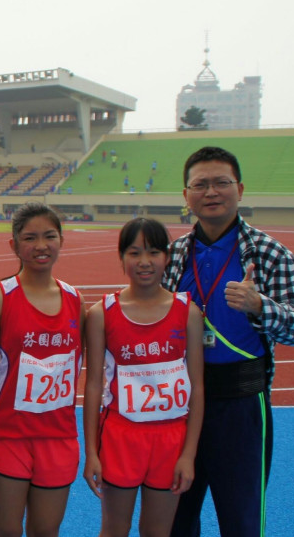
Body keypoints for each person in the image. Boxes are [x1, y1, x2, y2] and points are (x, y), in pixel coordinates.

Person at [164, 147, 294, 537]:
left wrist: (260, 305)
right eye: (200, 184)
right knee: (174, 518)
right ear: (186, 195)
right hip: (179, 403)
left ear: (240, 189)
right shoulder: (173, 255)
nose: (211, 192)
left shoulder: (271, 253)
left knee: (242, 521)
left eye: (221, 183)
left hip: (242, 404)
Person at [83, 218, 204, 537]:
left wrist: (189, 455)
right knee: (114, 529)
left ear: (167, 257)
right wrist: (91, 453)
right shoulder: (100, 314)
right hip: (120, 437)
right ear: (121, 258)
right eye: (134, 253)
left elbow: (197, 387)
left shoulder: (188, 313)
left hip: (171, 439)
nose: (144, 262)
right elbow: (93, 385)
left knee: (157, 531)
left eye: (153, 252)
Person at [0, 202, 86, 537]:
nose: (40, 246)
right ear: (14, 245)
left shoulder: (75, 300)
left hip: (58, 437)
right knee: (6, 530)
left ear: (61, 241)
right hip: (8, 436)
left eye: (49, 236)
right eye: (30, 238)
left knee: (47, 530)